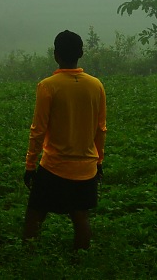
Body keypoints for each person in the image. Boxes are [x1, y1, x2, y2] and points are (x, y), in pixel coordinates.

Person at [22, 30, 107, 250]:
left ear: (55, 55)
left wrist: (30, 165)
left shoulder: (48, 86)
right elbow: (101, 129)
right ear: (81, 53)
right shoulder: (96, 85)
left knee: (35, 216)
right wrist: (98, 162)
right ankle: (80, 262)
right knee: (81, 219)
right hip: (86, 167)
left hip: (54, 166)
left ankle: (26, 257)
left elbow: (38, 130)